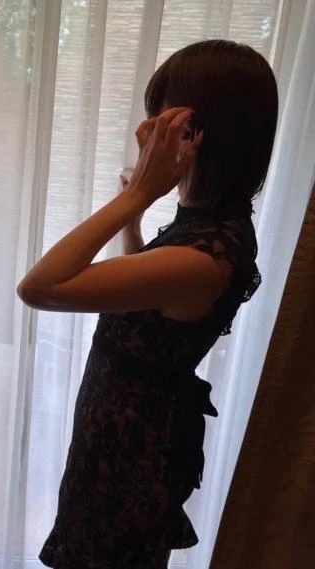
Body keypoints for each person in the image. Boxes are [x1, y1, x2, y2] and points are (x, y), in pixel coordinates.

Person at [16, 39, 278, 569]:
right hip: (122, 438)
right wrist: (134, 225)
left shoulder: (204, 255)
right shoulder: (207, 224)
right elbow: (153, 307)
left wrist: (137, 193)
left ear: (197, 134)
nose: (150, 136)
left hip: (129, 460)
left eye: (161, 123)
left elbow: (39, 287)